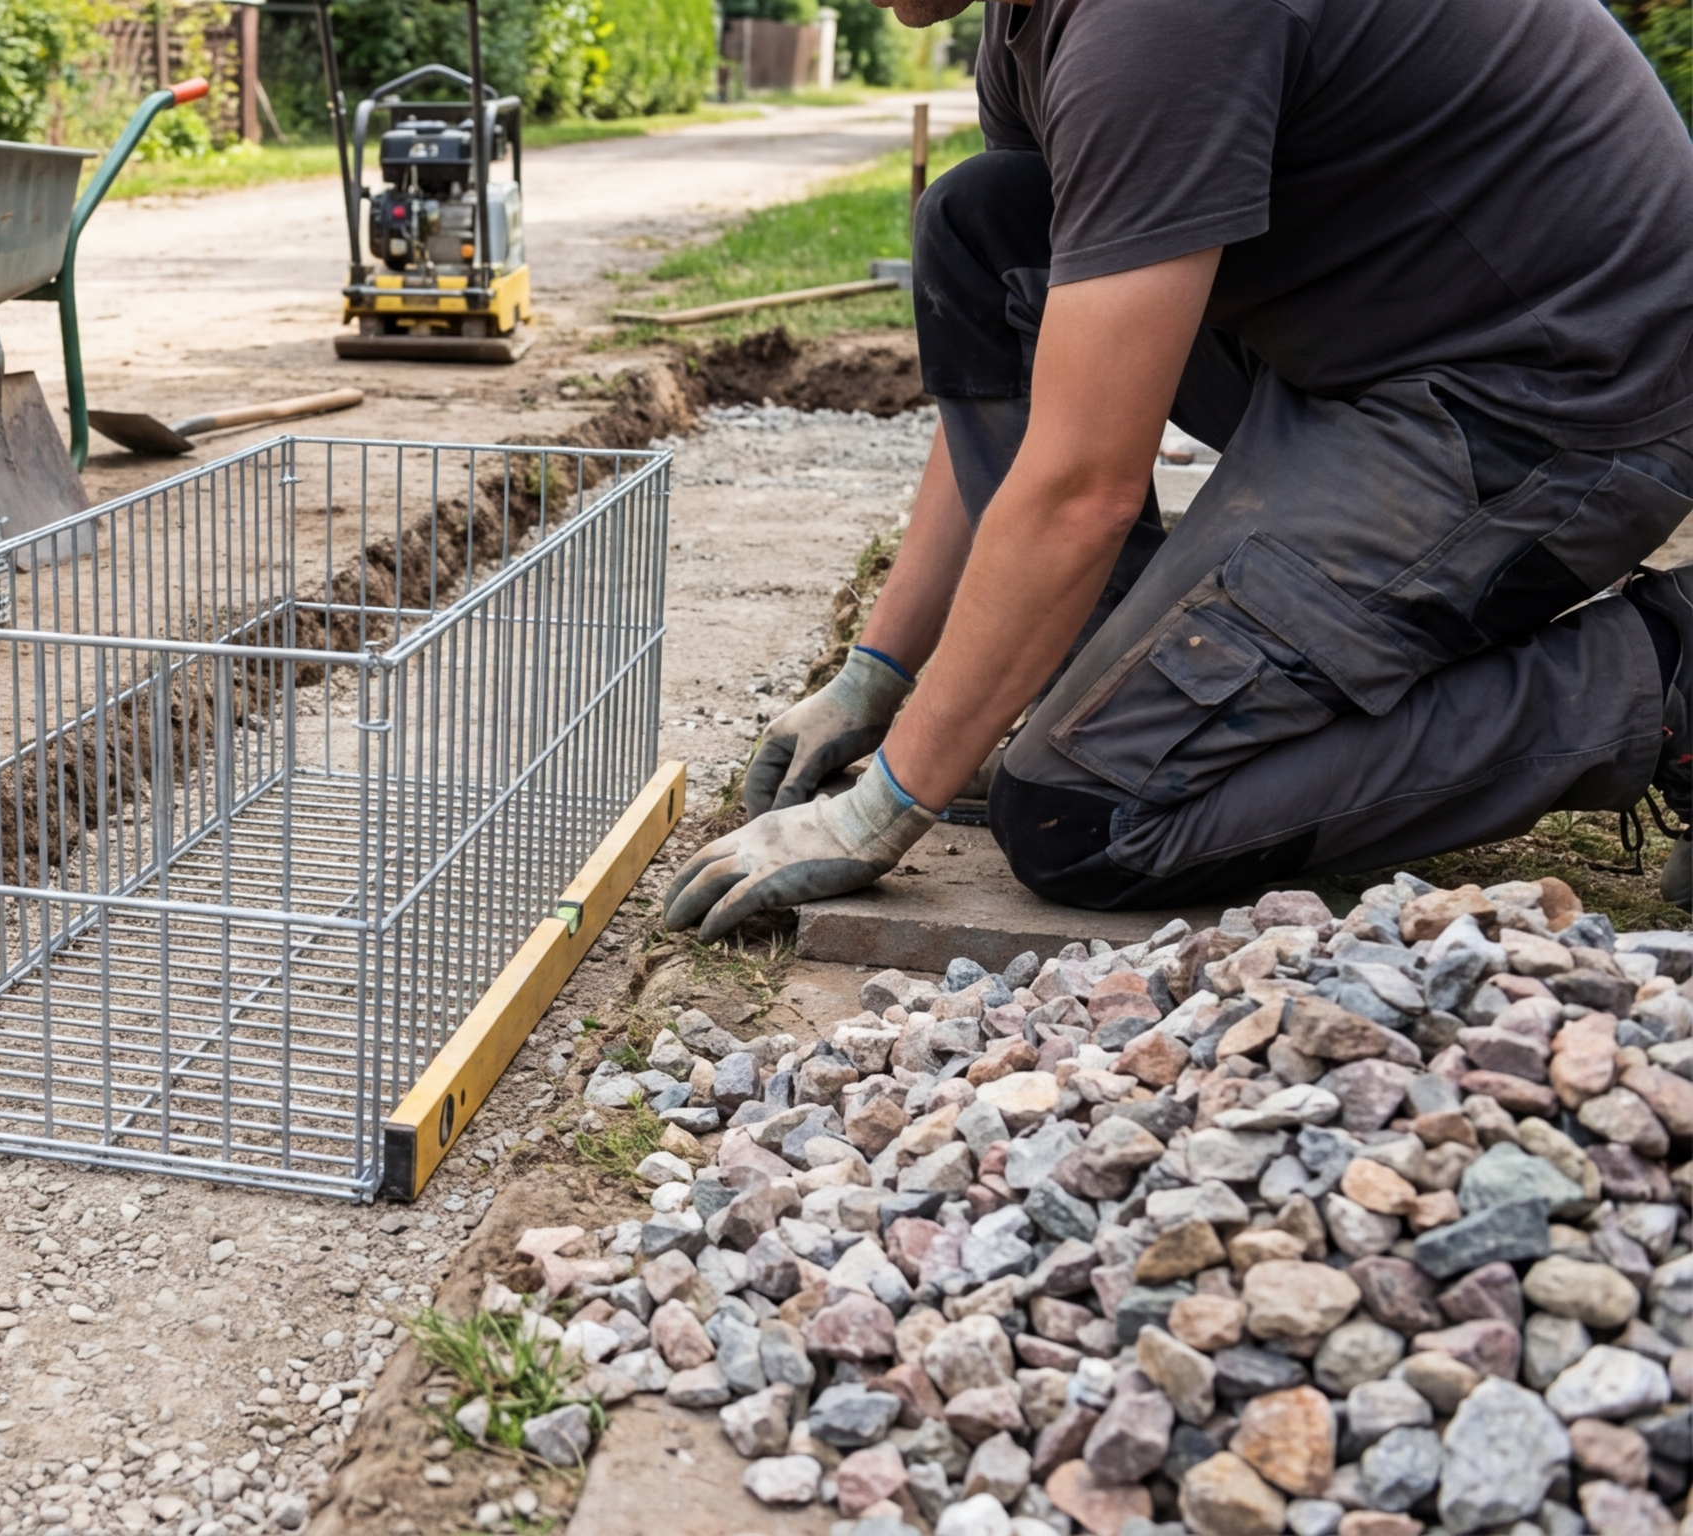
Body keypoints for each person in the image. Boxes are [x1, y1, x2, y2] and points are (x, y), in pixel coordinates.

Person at [667, 0, 1693, 938]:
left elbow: (1082, 486)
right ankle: (1100, 673)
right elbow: (1038, 374)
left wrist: (884, 805)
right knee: (979, 225)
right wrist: (875, 677)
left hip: (1554, 400)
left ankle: (1656, 680)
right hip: (1376, 341)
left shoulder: (1148, 20)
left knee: (1081, 815)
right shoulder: (1027, 23)